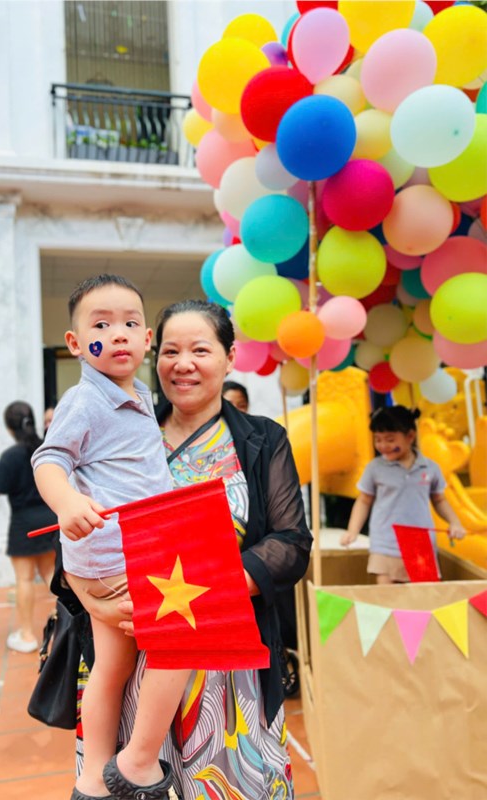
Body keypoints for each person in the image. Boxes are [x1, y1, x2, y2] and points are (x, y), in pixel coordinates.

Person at [68, 298, 312, 800]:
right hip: (129, 661)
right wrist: (94, 600)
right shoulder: (119, 432)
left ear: (230, 357)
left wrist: (201, 593)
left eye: (200, 350)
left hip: (228, 675)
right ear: (153, 356)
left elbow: (291, 543)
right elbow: (76, 528)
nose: (183, 364)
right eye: (171, 351)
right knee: (129, 781)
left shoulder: (262, 441)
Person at [32, 274, 187, 800]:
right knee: (182, 642)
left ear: (147, 339)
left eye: (130, 323)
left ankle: (94, 776)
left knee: (111, 666)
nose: (117, 333)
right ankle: (138, 762)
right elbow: (49, 459)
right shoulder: (85, 400)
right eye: (101, 325)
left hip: (125, 552)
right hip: (117, 554)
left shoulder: (139, 393)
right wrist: (67, 502)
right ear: (75, 344)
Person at [340, 406, 465, 583]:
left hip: (420, 543)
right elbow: (364, 501)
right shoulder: (374, 468)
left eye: (390, 440)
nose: (383, 446)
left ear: (410, 436)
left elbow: (439, 500)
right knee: (386, 595)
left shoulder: (430, 468)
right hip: (385, 543)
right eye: (378, 439)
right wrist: (352, 531)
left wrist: (455, 522)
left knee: (424, 595)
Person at [0, 401, 56, 652]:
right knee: (52, 575)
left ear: (9, 427)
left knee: (24, 579)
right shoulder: (45, 448)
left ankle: (27, 635)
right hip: (51, 520)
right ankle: (68, 625)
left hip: (24, 525)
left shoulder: (11, 456)